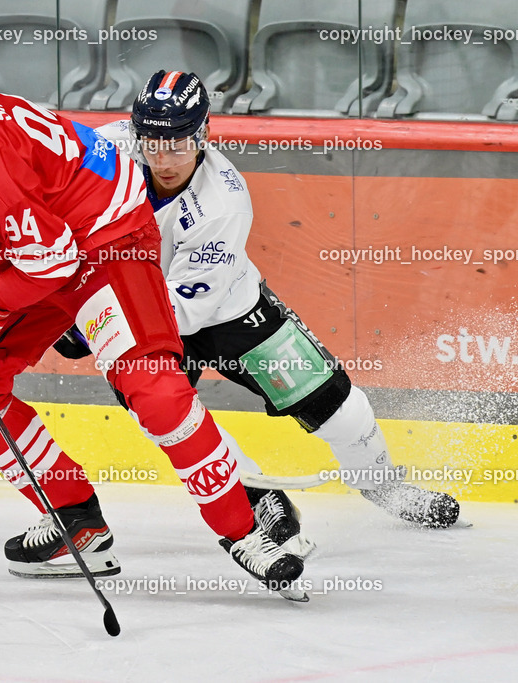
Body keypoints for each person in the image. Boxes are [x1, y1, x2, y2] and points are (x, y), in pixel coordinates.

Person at [0, 41, 306, 599]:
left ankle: (246, 530)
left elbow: (53, 256)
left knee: (156, 393)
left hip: (107, 244)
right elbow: (31, 247)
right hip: (38, 249)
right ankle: (75, 521)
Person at [55, 70, 460, 529]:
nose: (164, 158)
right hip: (134, 309)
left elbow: (184, 312)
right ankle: (254, 494)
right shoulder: (102, 150)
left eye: (179, 144)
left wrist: (95, 318)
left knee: (339, 407)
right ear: (135, 132)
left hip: (227, 313)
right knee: (169, 418)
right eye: (152, 142)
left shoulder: (224, 203)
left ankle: (384, 485)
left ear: (204, 133)